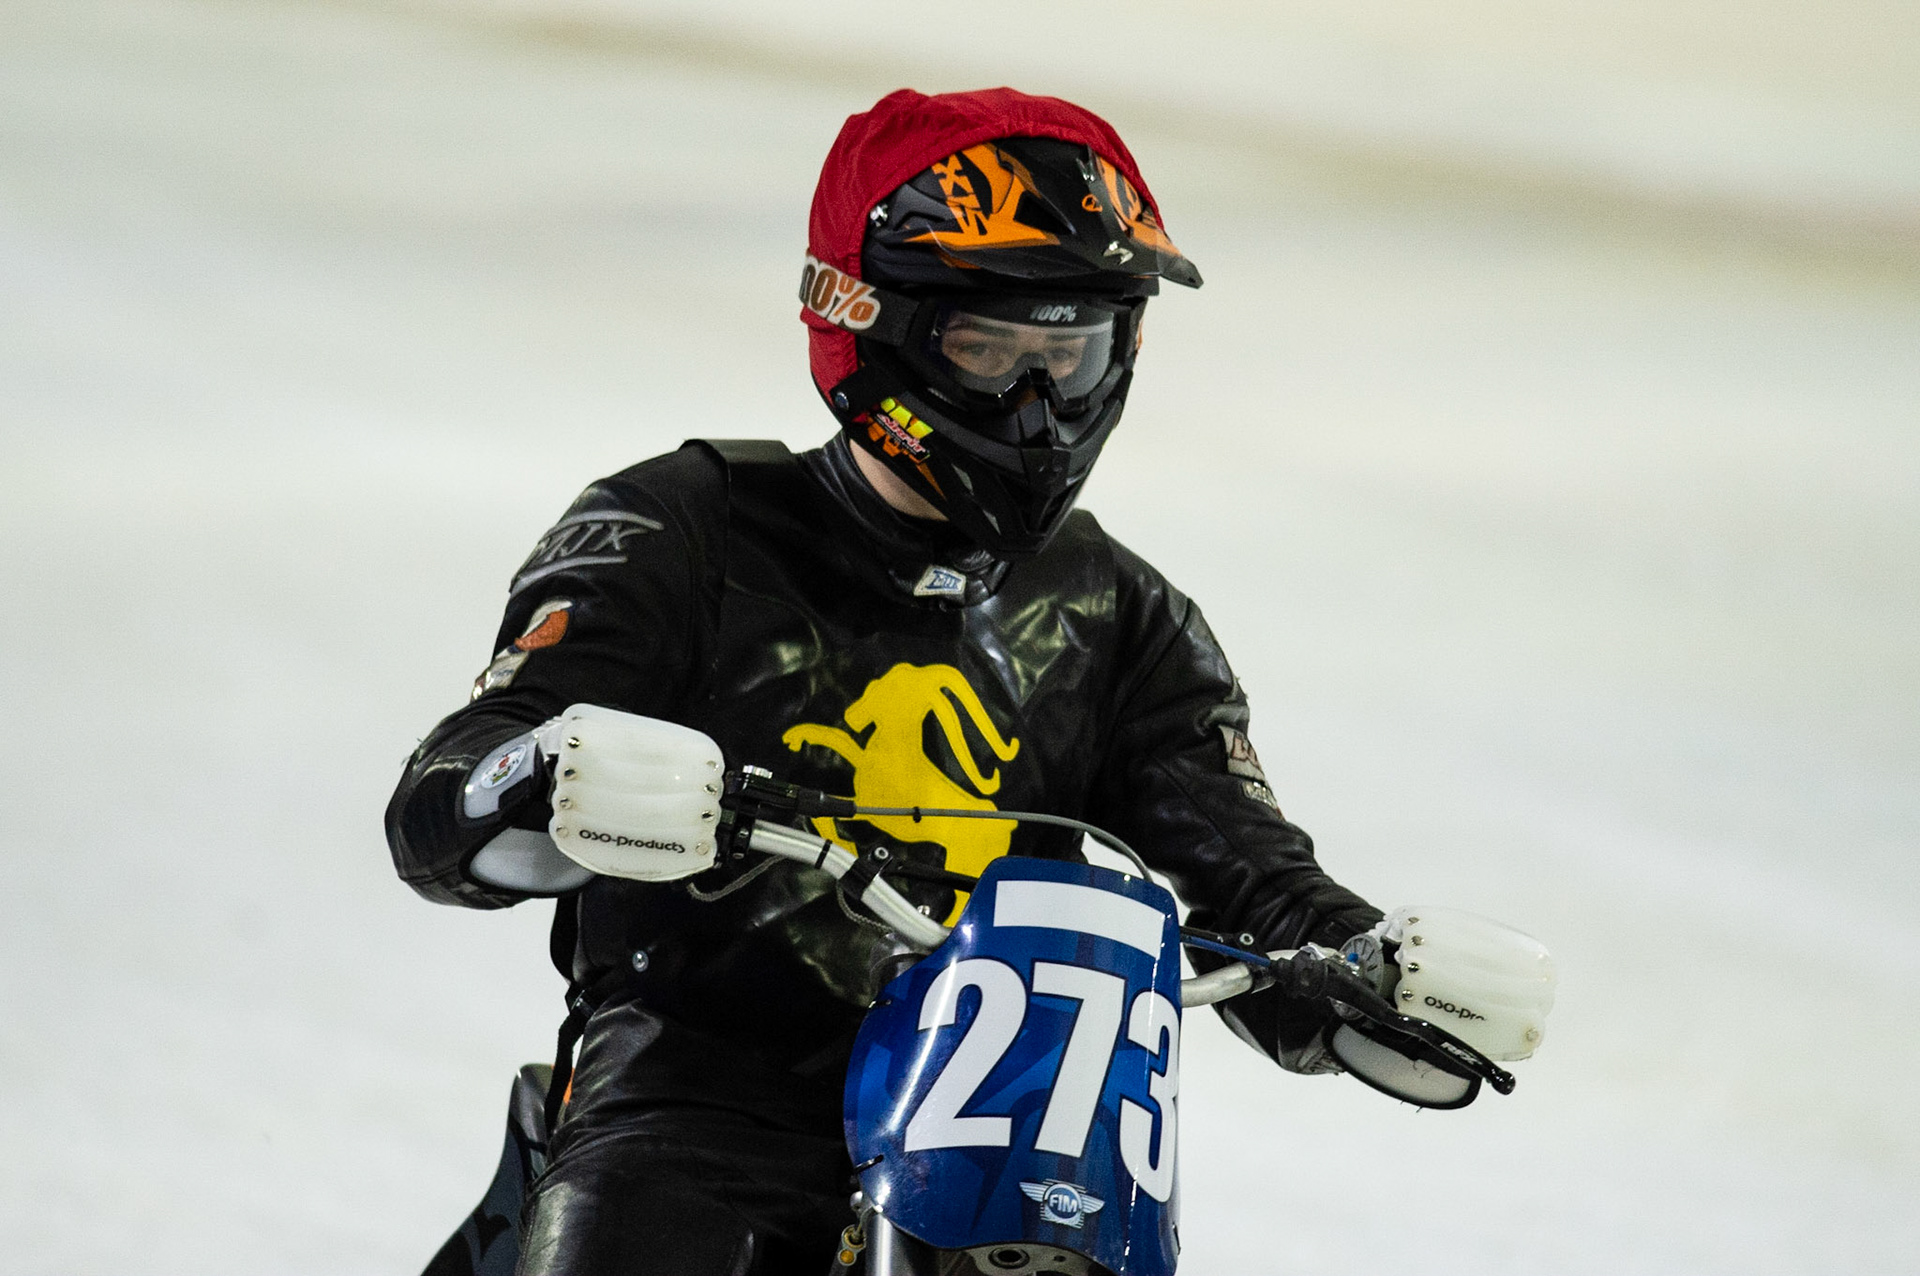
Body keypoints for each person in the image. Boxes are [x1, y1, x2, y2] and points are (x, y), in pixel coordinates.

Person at [387, 87, 1530, 1275]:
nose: (1036, 407)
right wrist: (547, 774)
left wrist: (1368, 969)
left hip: (1018, 1147)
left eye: (1067, 354)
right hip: (699, 1106)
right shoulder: (682, 529)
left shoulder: (1121, 616)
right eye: (989, 350)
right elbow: (449, 793)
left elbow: (1253, 882)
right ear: (871, 324)